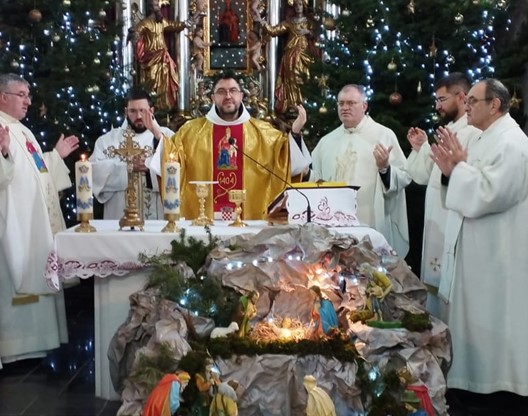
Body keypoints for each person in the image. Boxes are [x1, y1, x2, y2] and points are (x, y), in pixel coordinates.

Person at [431, 78, 528, 395]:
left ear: (495, 105)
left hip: (498, 249)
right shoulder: (486, 137)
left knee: (495, 315)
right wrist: (453, 172)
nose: (466, 106)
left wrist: (457, 170)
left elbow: (492, 191)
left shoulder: (512, 143)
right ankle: (471, 381)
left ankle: (496, 387)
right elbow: (470, 180)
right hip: (478, 245)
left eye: (473, 101)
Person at [148, 71, 311, 220]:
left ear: (241, 96)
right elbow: (172, 160)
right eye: (221, 91)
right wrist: (157, 135)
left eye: (233, 91)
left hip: (251, 218)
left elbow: (287, 160)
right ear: (212, 98)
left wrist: (295, 133)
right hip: (203, 219)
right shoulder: (190, 132)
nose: (228, 96)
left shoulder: (264, 132)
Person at [0, 73, 79, 367]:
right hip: (13, 223)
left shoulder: (22, 130)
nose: (28, 101)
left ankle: (37, 343)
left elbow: (36, 172)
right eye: (22, 94)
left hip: (32, 221)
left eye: (29, 95)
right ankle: (13, 346)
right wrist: (3, 152)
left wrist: (55, 157)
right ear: (3, 96)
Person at [406, 73, 481, 321]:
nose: (437, 106)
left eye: (442, 99)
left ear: (461, 96)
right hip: (437, 215)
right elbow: (429, 176)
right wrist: (422, 148)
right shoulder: (449, 129)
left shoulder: (472, 132)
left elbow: (469, 178)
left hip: (453, 215)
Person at [310, 84, 411, 258]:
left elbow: (404, 176)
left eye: (351, 103)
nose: (345, 108)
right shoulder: (327, 142)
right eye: (341, 103)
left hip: (369, 220)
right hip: (333, 223)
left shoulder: (383, 135)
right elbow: (315, 180)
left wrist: (385, 168)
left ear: (364, 106)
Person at [89, 88, 174, 220]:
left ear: (152, 111)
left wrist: (149, 169)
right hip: (118, 219)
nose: (139, 116)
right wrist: (126, 167)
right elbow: (93, 172)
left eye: (143, 111)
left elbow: (178, 169)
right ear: (125, 112)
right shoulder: (107, 140)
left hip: (156, 221)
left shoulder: (166, 137)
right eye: (133, 111)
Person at [262, 0, 318, 114]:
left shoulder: (309, 22)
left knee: (304, 78)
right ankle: (293, 104)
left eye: (300, 4)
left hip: (304, 55)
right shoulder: (289, 22)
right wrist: (262, 23)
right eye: (296, 5)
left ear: (304, 6)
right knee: (291, 80)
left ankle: (304, 103)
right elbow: (274, 31)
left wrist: (308, 32)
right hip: (291, 55)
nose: (298, 7)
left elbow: (317, 36)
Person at [130, 0, 187, 109]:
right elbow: (137, 32)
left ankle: (164, 106)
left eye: (158, 6)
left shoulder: (162, 22)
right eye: (155, 6)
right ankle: (152, 107)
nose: (158, 8)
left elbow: (174, 25)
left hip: (163, 57)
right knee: (151, 83)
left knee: (165, 83)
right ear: (151, 8)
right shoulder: (145, 23)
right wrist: (135, 36)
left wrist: (186, 23)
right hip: (151, 59)